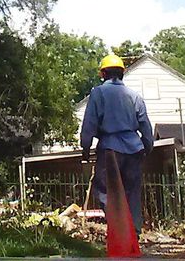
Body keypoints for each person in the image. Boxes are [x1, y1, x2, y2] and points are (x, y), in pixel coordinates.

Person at [80, 52, 154, 236]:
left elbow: (89, 124)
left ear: (103, 74)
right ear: (122, 73)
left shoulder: (98, 93)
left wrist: (86, 148)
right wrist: (147, 147)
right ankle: (134, 232)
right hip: (134, 149)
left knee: (104, 189)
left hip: (110, 149)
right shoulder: (134, 96)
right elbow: (145, 125)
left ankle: (118, 227)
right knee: (132, 192)